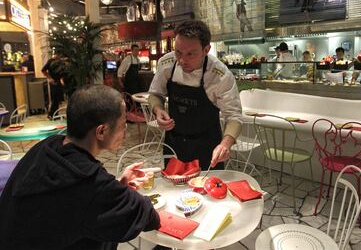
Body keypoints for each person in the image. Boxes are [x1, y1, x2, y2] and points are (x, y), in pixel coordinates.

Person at [0, 85, 160, 250]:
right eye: (123, 123)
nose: (125, 129)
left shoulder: (45, 148)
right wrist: (118, 192)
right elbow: (149, 217)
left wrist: (118, 188)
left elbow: (72, 203)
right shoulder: (90, 180)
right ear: (101, 131)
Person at [148, 20, 242, 170]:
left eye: (190, 54)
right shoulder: (167, 63)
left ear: (206, 50)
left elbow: (234, 116)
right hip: (174, 141)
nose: (182, 60)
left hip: (207, 144)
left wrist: (225, 144)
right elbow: (155, 94)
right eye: (178, 52)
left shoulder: (220, 75)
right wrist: (158, 110)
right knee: (173, 188)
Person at [42, 54, 64, 119]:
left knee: (58, 99)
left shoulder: (60, 62)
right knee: (54, 98)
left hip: (59, 81)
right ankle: (51, 114)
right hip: (53, 81)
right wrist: (49, 78)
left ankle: (55, 114)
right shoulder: (51, 61)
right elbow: (43, 70)